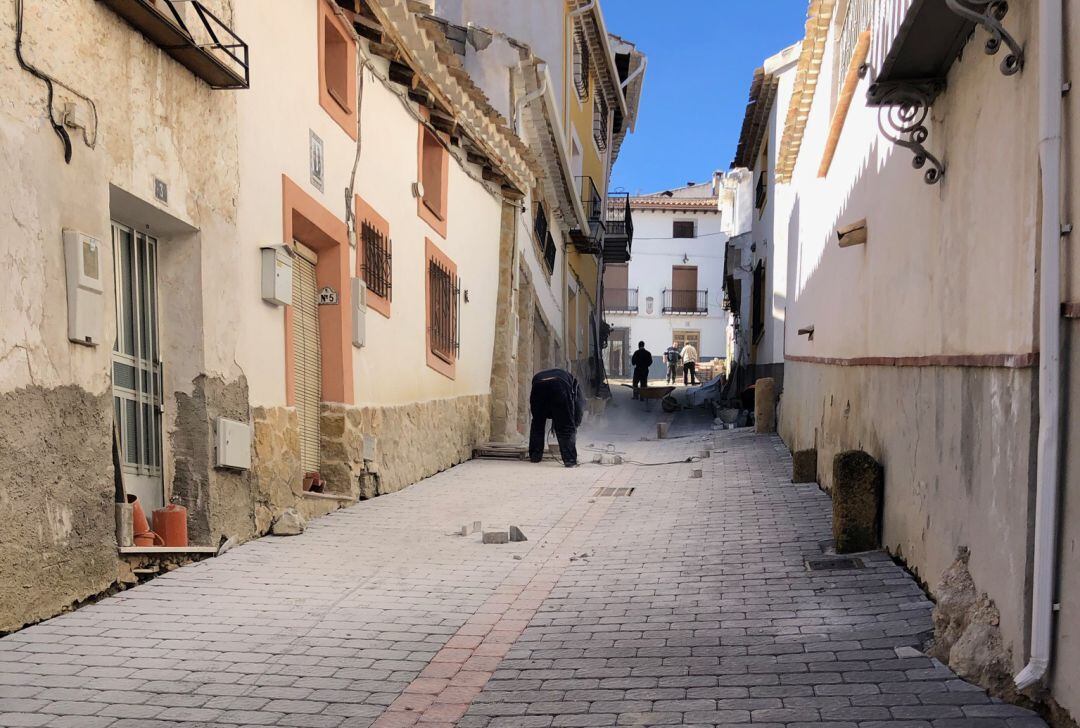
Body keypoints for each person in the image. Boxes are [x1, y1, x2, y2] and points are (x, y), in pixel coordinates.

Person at [529, 369, 585, 466]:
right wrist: (575, 424)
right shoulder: (574, 383)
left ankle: (535, 456)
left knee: (537, 424)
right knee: (566, 427)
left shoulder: (565, 377)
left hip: (538, 383)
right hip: (559, 384)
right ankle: (570, 460)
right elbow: (579, 405)